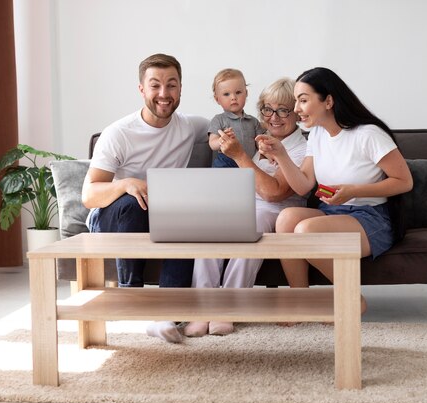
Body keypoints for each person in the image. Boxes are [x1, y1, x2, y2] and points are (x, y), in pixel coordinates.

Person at [257, 67, 413, 311]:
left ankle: (352, 297)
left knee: (306, 230)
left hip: (371, 217)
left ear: (328, 101)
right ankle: (300, 300)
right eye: (297, 101)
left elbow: (404, 181)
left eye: (303, 100)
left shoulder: (368, 134)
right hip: (333, 212)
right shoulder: (317, 134)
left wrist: (354, 190)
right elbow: (304, 185)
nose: (296, 108)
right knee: (287, 219)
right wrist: (282, 155)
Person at [81, 53, 208, 344]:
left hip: (163, 216)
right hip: (113, 218)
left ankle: (167, 314)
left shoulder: (189, 127)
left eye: (171, 85)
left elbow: (224, 126)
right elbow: (89, 195)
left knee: (185, 216)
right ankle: (133, 297)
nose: (164, 94)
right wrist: (125, 183)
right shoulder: (119, 133)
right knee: (134, 200)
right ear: (142, 89)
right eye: (155, 86)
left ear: (180, 89)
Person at [184, 77, 308, 337]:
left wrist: (240, 155)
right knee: (208, 228)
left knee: (251, 229)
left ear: (296, 114)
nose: (274, 117)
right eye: (267, 109)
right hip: (244, 203)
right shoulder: (257, 138)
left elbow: (274, 193)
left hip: (277, 210)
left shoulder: (301, 148)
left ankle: (227, 308)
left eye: (283, 110)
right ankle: (202, 309)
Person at [208, 68, 265, 168]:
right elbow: (212, 144)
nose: (233, 97)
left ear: (246, 93)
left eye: (238, 92)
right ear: (217, 99)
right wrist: (221, 139)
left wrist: (267, 152)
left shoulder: (253, 121)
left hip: (248, 162)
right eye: (226, 94)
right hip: (226, 161)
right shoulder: (219, 119)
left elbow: (259, 144)